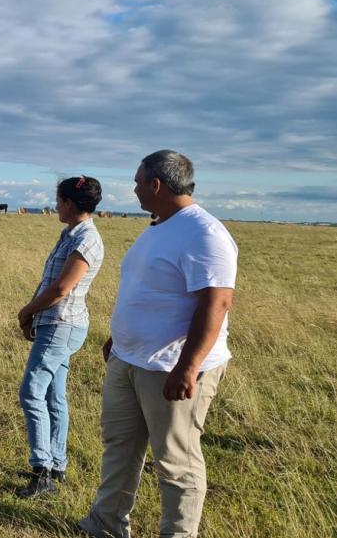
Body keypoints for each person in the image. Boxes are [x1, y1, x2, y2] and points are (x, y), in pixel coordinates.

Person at [78, 150, 237, 538]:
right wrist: (121, 338)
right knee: (120, 446)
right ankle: (106, 523)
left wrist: (187, 366)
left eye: (137, 181)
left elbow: (216, 303)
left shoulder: (205, 232)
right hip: (130, 360)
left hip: (172, 367)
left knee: (175, 460)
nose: (133, 189)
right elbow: (150, 290)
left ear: (156, 184)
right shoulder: (159, 226)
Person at [16, 176, 105, 497]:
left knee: (31, 393)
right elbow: (52, 285)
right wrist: (33, 313)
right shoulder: (71, 235)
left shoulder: (86, 240)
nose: (55, 205)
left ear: (69, 202)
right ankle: (57, 463)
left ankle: (42, 472)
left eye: (59, 200)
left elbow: (61, 288)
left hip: (61, 324)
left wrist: (26, 311)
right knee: (54, 396)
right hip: (55, 323)